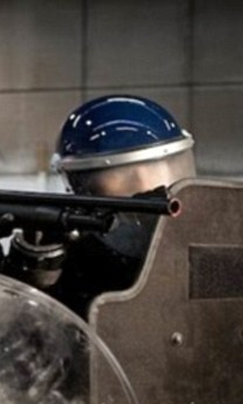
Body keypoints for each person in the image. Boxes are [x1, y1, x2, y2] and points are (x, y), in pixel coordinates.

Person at [41, 94, 196, 317]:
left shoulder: (203, 240)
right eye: (127, 179)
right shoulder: (77, 258)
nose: (152, 189)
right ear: (83, 187)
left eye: (163, 170)